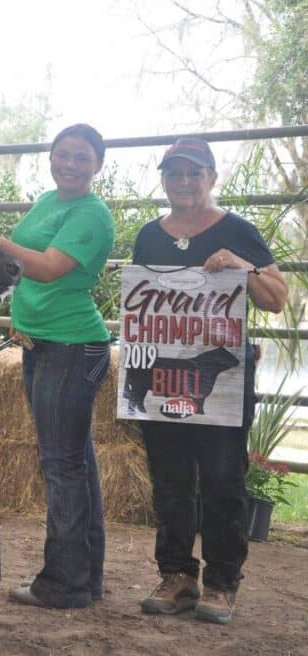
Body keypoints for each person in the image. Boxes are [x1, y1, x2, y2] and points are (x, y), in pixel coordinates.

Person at [133, 137, 289, 625]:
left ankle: (223, 581)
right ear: (164, 178)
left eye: (194, 173)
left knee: (223, 478)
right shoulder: (148, 236)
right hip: (165, 374)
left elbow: (277, 297)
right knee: (170, 479)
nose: (183, 181)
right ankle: (177, 574)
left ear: (211, 178)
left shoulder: (239, 230)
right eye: (174, 172)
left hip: (220, 379)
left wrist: (243, 267)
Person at [0, 123, 116, 609]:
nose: (70, 164)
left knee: (61, 467)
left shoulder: (92, 214)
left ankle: (63, 583)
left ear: (97, 165)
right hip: (42, 344)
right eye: (62, 155)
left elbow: (45, 267)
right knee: (76, 464)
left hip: (71, 346)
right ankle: (85, 579)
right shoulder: (47, 201)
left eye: (81, 157)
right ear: (51, 159)